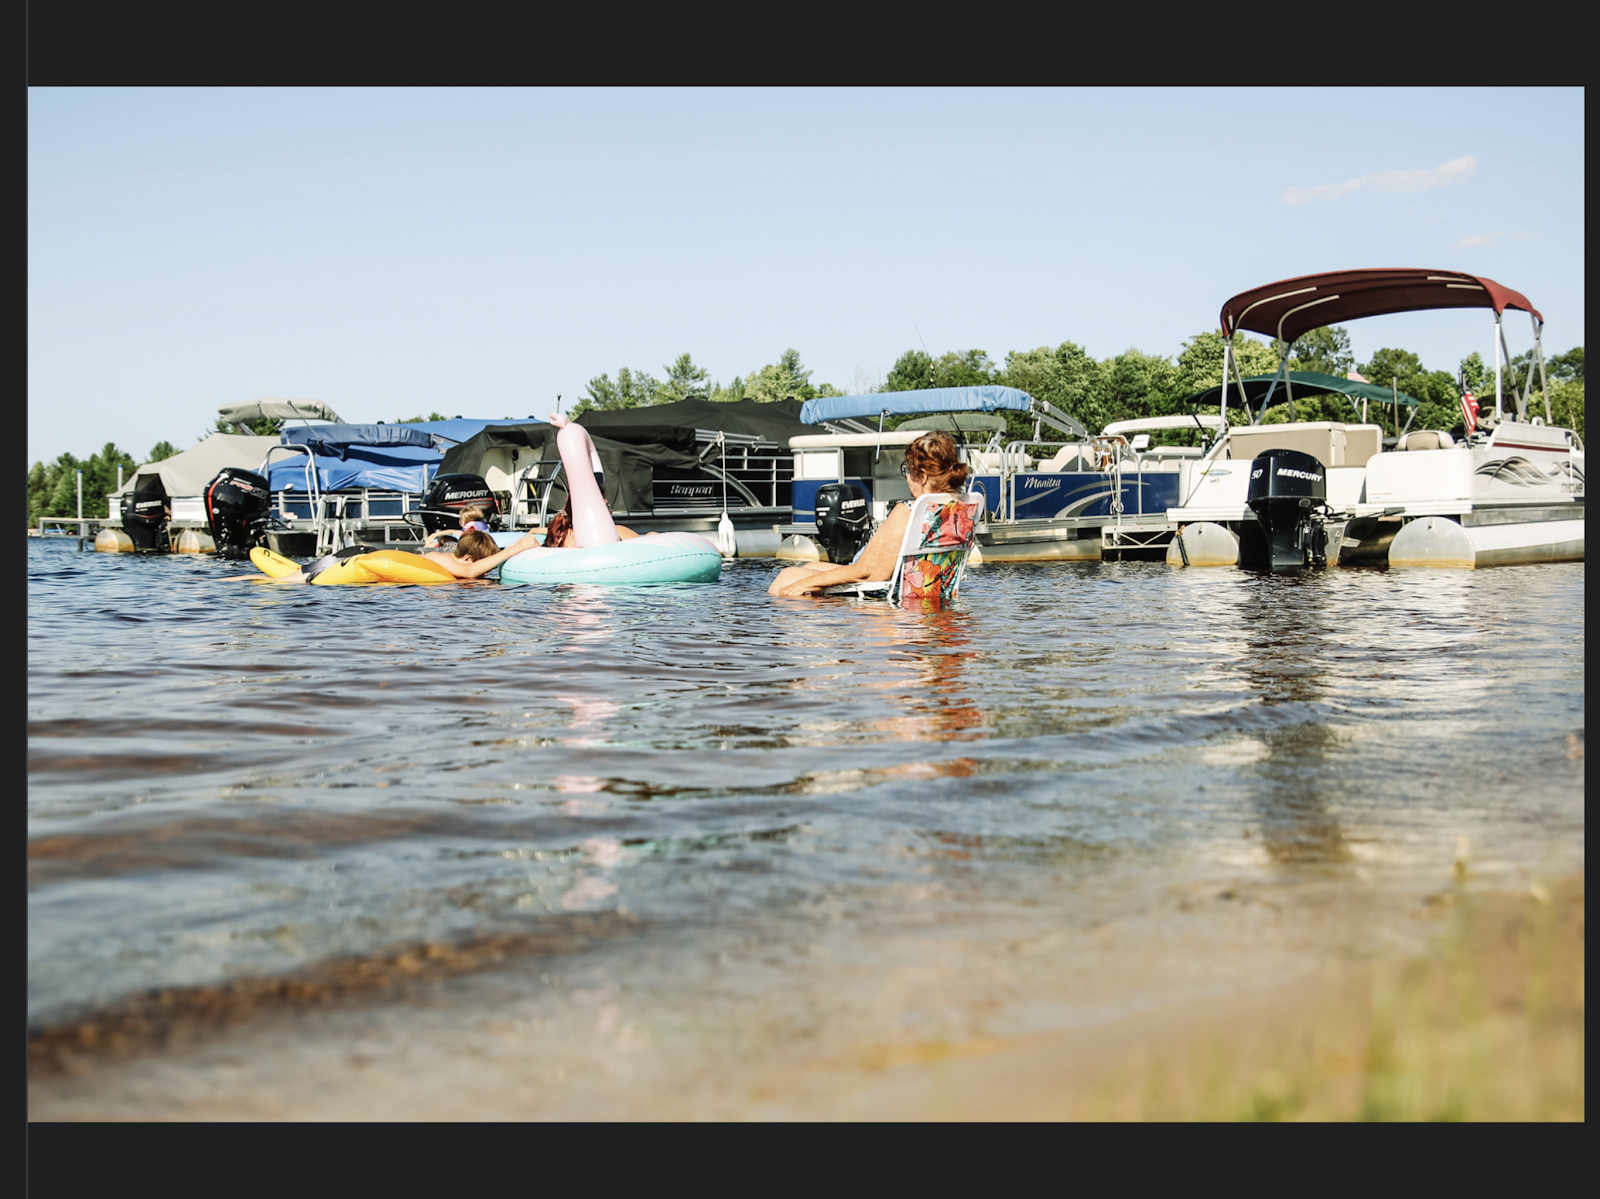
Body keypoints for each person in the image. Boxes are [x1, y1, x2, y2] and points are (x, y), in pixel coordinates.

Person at [768, 431, 969, 598]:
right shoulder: (960, 508)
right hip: (927, 590)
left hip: (886, 592)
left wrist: (802, 584)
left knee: (787, 577)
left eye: (908, 470)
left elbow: (867, 574)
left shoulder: (907, 511)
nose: (907, 477)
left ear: (923, 477)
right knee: (811, 565)